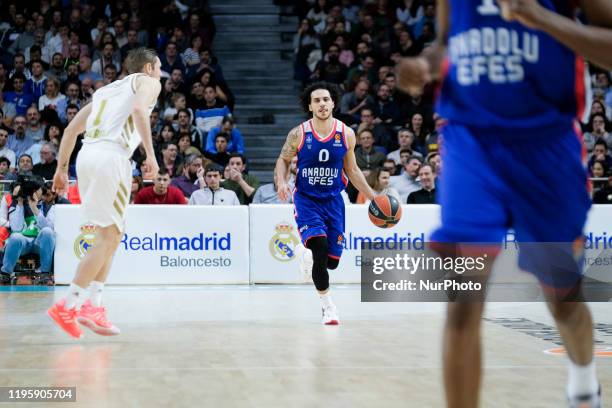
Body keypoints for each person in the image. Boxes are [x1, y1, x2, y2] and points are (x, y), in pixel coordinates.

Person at [396, 1, 612, 406]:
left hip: (547, 144)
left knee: (563, 297)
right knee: (463, 299)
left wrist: (540, 17)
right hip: (470, 140)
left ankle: (584, 385)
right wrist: (425, 66)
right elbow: (445, 44)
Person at [48, 48, 162, 339]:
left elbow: (72, 130)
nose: (159, 74)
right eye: (158, 68)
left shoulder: (105, 92)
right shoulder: (148, 82)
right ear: (149, 68)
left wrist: (62, 169)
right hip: (111, 157)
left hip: (87, 156)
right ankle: (69, 304)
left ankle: (93, 304)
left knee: (111, 235)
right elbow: (138, 110)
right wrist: (151, 155)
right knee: (108, 236)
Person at [274, 82, 375, 325]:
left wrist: (373, 196)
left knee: (331, 262)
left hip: (333, 201)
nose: (321, 104)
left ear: (333, 103)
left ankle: (303, 252)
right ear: (310, 106)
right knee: (319, 248)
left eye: (325, 99)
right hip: (307, 199)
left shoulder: (346, 133)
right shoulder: (298, 133)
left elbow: (352, 169)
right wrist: (281, 181)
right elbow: (283, 159)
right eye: (316, 100)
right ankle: (328, 306)